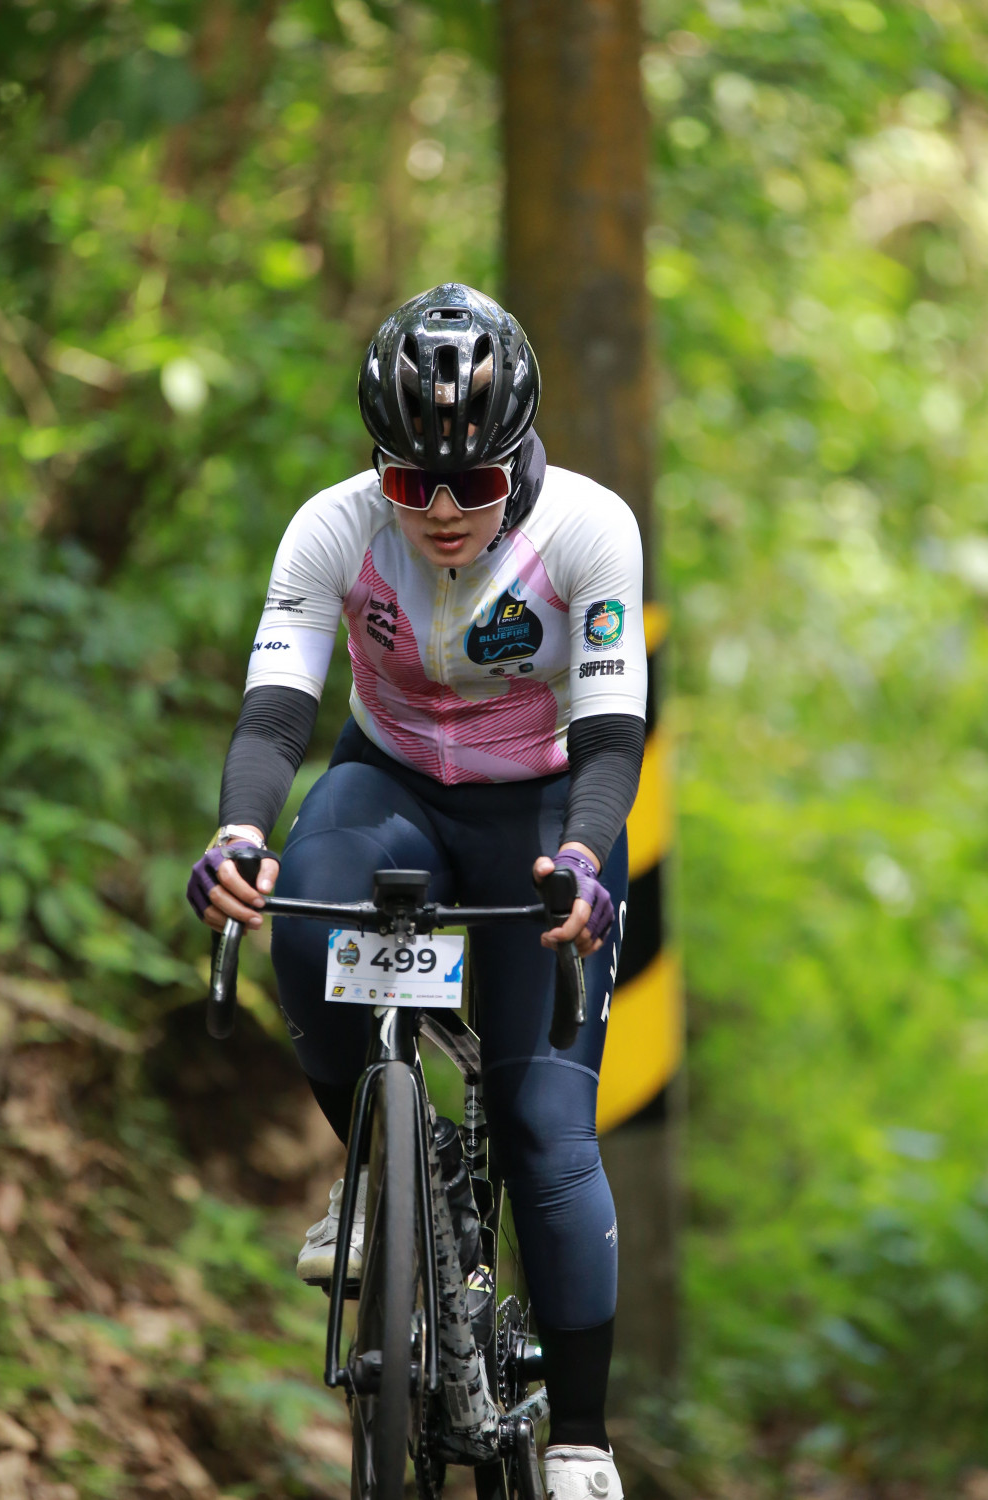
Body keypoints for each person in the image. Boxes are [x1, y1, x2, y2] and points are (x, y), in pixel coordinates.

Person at [188, 283, 646, 1500]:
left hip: (543, 810)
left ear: (521, 461)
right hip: (389, 783)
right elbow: (276, 711)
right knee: (304, 918)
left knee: (545, 1129)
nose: (440, 511)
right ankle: (382, 1166)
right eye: (410, 482)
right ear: (375, 467)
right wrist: (238, 834)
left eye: (473, 484)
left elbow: (611, 736)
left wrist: (585, 858)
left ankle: (582, 1439)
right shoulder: (332, 528)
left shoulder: (589, 528)